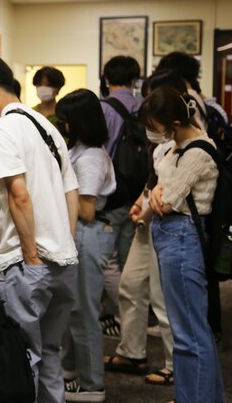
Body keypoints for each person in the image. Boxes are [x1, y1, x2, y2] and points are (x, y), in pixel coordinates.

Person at [0, 53, 79, 403]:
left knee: (21, 357)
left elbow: (18, 195)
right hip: (65, 260)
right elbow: (71, 190)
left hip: (28, 263)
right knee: (51, 351)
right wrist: (65, 244)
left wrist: (31, 256)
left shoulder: (3, 128)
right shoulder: (46, 126)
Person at [139, 86, 225, 403]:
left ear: (174, 123)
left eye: (154, 124)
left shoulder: (198, 150)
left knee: (189, 333)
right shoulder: (178, 147)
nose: (150, 131)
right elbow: (161, 188)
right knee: (189, 330)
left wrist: (162, 192)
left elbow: (166, 200)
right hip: (174, 235)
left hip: (183, 236)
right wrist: (162, 191)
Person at [104, 70, 184, 387]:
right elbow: (154, 181)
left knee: (162, 298)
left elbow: (173, 189)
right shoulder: (161, 141)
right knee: (130, 285)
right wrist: (142, 199)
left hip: (165, 222)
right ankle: (132, 351)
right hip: (147, 218)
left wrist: (147, 208)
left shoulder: (183, 141)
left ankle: (175, 364)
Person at [55, 90, 116, 402]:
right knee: (71, 308)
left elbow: (87, 209)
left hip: (89, 233)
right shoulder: (79, 149)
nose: (61, 124)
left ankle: (93, 384)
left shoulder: (91, 156)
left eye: (65, 120)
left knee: (84, 312)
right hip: (81, 233)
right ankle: (72, 372)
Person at [99, 55, 143, 337]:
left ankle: (122, 316)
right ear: (135, 79)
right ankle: (133, 320)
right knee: (129, 260)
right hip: (140, 191)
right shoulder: (143, 105)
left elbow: (99, 149)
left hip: (113, 192)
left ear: (106, 79)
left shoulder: (103, 108)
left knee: (107, 261)